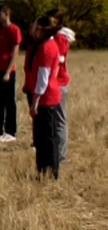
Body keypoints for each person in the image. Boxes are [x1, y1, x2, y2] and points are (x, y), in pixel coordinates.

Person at [26, 15, 63, 179]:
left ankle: (52, 172)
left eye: (35, 26)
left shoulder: (47, 48)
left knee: (48, 137)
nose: (32, 29)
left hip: (46, 98)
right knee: (41, 138)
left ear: (41, 30)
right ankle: (42, 170)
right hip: (43, 97)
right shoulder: (43, 45)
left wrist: (35, 101)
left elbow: (43, 77)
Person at [0, 6, 22, 142]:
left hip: (7, 71)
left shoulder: (14, 30)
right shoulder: (0, 31)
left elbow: (15, 52)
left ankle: (10, 131)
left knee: (9, 101)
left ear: (7, 14)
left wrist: (8, 71)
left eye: (0, 14)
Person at [48, 10, 74, 162]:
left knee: (59, 119)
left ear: (57, 21)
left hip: (59, 83)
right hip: (54, 82)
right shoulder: (55, 37)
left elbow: (59, 60)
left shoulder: (60, 38)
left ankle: (61, 154)